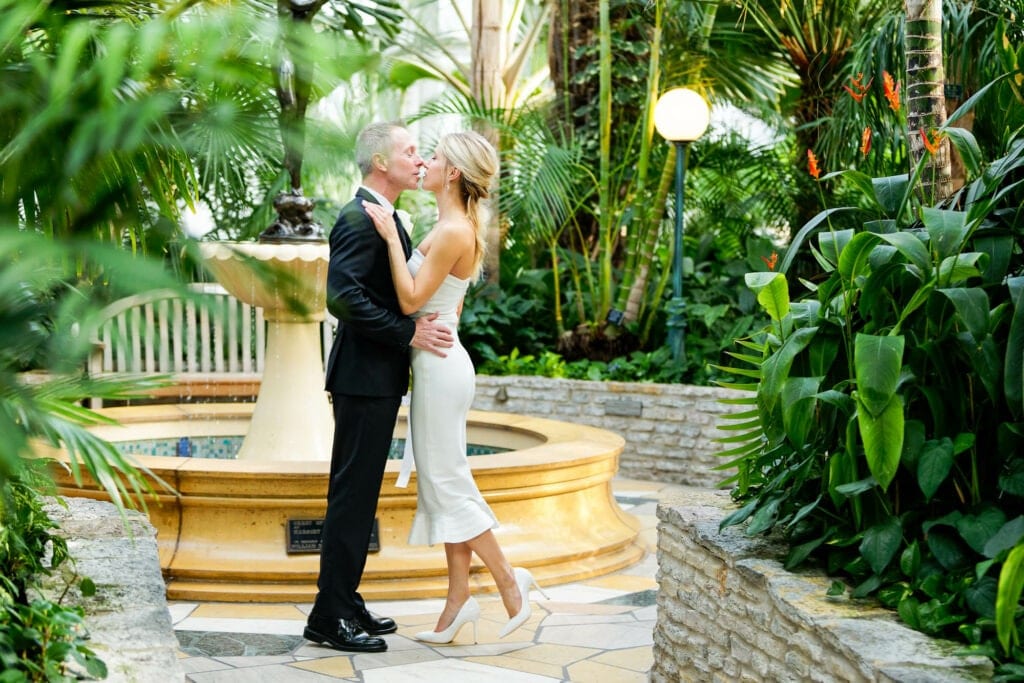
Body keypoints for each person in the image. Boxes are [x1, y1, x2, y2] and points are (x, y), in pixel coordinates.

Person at [363, 130, 547, 645]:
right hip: (439, 364)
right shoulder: (451, 225)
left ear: (454, 174)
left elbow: (408, 301)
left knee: (447, 483)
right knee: (444, 483)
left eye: (436, 156)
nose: (426, 161)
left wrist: (389, 241)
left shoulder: (452, 231)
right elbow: (450, 304)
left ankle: (510, 580)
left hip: (440, 370)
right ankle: (458, 602)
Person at [304, 122, 455, 654]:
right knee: (351, 495)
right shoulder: (357, 217)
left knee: (361, 496)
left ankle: (344, 601)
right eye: (409, 152)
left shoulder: (386, 216)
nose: (419, 160)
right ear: (380, 164)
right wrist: (408, 331)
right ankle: (328, 614)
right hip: (361, 379)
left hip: (375, 379)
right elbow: (342, 298)